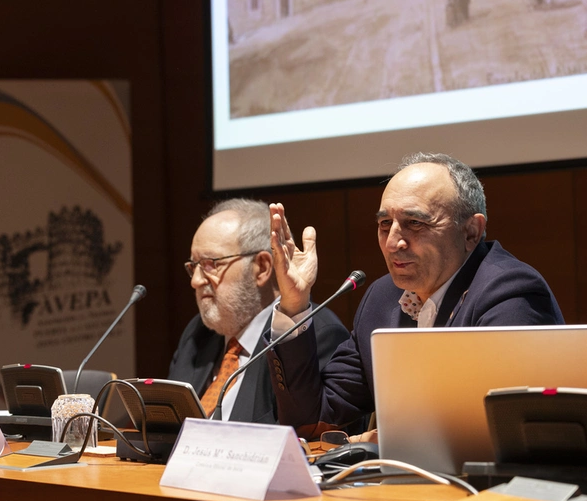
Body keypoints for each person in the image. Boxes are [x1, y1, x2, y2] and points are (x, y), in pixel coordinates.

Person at [266, 153, 564, 437]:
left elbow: (503, 426)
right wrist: (295, 305)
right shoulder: (381, 299)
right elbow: (312, 419)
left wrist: (376, 442)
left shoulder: (508, 292)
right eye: (385, 224)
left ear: (471, 232)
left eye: (415, 223)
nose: (393, 241)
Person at [170, 198, 348, 424]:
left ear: (262, 268)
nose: (195, 281)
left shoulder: (313, 334)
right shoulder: (198, 335)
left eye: (211, 264)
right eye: (193, 266)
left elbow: (308, 435)